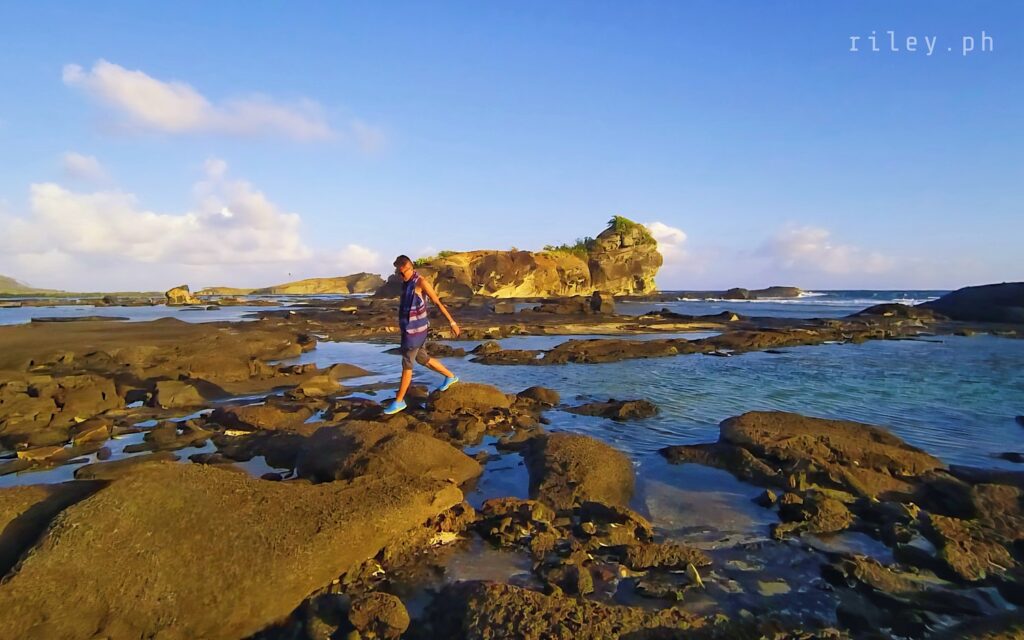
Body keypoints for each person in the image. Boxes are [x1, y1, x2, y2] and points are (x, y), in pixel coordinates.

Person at [382, 255, 460, 415]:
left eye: (401, 272)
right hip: (409, 329)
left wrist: (452, 322)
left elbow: (437, 302)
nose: (399, 275)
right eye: (398, 272)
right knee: (421, 358)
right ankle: (450, 376)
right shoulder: (406, 283)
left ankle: (399, 401)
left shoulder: (421, 282)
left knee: (407, 362)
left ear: (408, 268)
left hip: (416, 330)